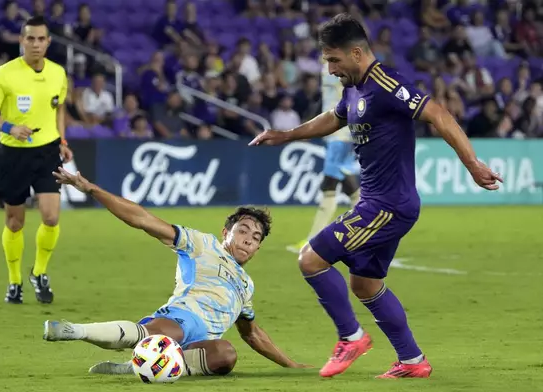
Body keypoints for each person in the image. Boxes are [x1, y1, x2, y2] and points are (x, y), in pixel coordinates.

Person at [249, 13, 502, 379]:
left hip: (388, 205)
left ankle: (350, 337)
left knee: (310, 259)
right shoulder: (353, 88)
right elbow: (333, 119)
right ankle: (413, 361)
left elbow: (440, 115)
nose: (331, 69)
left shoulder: (385, 83)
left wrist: (473, 164)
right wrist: (286, 134)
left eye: (334, 60)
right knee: (365, 284)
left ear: (355, 53)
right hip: (378, 202)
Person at [43, 167, 309, 376]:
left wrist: (290, 364)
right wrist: (90, 189)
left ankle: (142, 364)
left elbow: (251, 333)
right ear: (226, 233)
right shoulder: (201, 244)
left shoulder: (246, 286)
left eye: (256, 237)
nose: (249, 239)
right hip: (180, 319)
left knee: (226, 355)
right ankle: (75, 330)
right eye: (243, 230)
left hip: (201, 344)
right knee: (169, 335)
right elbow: (143, 219)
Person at [0, 16, 73, 305]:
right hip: (14, 153)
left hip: (47, 151)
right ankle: (14, 281)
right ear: (21, 41)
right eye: (29, 38)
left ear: (48, 42)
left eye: (40, 39)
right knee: (15, 222)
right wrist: (10, 128)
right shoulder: (4, 74)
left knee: (51, 216)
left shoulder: (58, 73)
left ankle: (39, 272)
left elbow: (59, 109)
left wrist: (62, 140)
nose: (35, 44)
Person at [286, 72, 360, 254]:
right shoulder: (333, 75)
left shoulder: (347, 76)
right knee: (347, 187)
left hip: (341, 137)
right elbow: (325, 103)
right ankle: (370, 232)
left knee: (329, 186)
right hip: (337, 136)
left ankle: (313, 240)